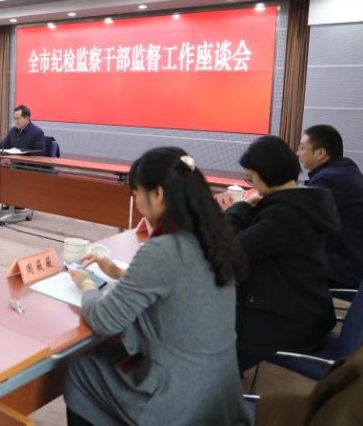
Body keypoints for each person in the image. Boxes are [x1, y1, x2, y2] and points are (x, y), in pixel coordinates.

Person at [65, 147, 248, 425]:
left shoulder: (165, 248)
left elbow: (104, 319)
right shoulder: (213, 237)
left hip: (180, 402)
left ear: (158, 194)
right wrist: (116, 271)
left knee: (81, 368)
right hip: (221, 394)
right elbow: (180, 284)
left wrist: (86, 283)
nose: (136, 200)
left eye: (137, 192)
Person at [226, 135, 338, 372]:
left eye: (251, 177)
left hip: (289, 321)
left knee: (206, 329)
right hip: (303, 308)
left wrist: (241, 208)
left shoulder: (285, 216)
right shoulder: (302, 203)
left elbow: (229, 250)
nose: (251, 184)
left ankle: (217, 387)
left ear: (267, 174)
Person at [298, 124, 363, 289]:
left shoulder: (328, 179)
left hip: (341, 270)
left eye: (302, 148)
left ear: (320, 153)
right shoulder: (346, 169)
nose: (298, 153)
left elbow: (300, 221)